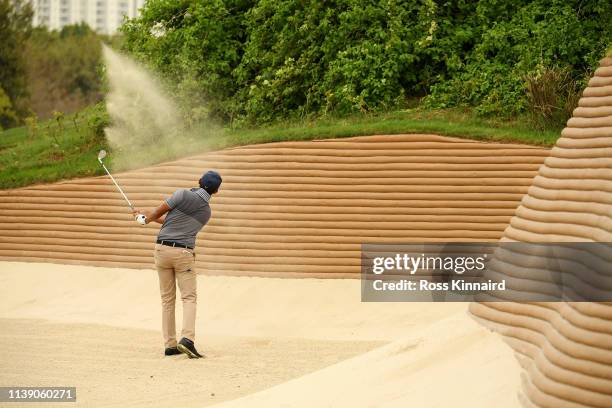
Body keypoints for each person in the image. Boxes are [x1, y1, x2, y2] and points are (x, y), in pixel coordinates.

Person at [133, 170, 222, 359]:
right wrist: (146, 216)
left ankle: (170, 345)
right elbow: (172, 222)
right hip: (183, 254)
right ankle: (187, 340)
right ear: (216, 192)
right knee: (189, 298)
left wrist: (144, 218)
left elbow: (163, 216)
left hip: (161, 251)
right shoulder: (206, 212)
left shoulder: (181, 194)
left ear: (199, 181)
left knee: (167, 299)